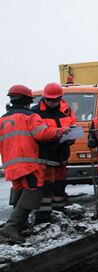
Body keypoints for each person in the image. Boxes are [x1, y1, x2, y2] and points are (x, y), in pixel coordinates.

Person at [0, 85, 69, 243]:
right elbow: (42, 133)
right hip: (28, 163)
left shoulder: (3, 119)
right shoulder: (30, 116)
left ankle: (19, 225)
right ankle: (11, 227)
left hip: (11, 164)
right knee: (34, 191)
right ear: (26, 101)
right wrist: (60, 131)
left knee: (19, 190)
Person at [31, 83, 77, 223]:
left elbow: (73, 126)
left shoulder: (66, 110)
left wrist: (71, 137)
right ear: (44, 98)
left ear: (60, 98)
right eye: (49, 99)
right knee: (46, 187)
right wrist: (59, 133)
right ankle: (43, 218)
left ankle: (59, 213)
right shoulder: (36, 112)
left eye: (55, 100)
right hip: (45, 156)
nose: (51, 102)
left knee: (60, 185)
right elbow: (39, 134)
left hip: (61, 155)